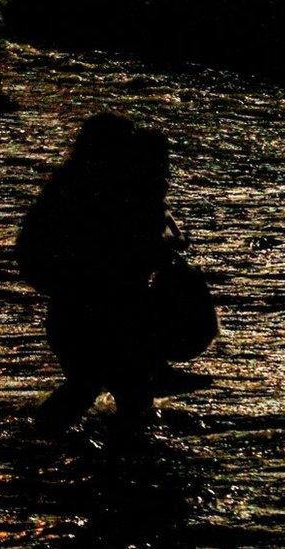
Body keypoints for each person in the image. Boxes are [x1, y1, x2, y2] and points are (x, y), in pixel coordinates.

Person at [16, 113, 179, 432]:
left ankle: (41, 444)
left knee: (105, 387)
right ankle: (40, 442)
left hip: (81, 308)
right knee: (98, 387)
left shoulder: (76, 186)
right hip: (91, 310)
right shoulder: (96, 193)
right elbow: (117, 253)